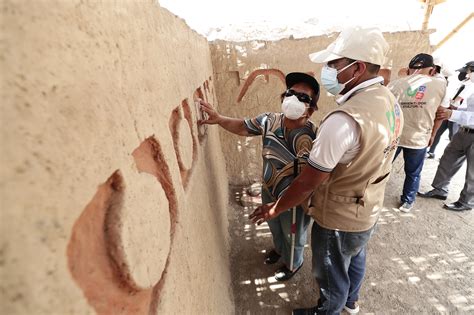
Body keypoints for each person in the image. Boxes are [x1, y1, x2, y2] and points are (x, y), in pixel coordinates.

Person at [249, 27, 403, 315]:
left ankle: (328, 309)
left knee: (331, 272)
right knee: (354, 258)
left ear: (356, 68)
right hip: (367, 206)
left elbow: (307, 183)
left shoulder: (342, 121)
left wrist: (275, 208)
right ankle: (350, 302)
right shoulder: (389, 102)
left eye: (333, 64)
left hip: (339, 216)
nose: (328, 70)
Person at [199, 72, 320, 281]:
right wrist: (219, 119)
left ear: (310, 108)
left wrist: (287, 202)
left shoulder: (313, 135)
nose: (294, 98)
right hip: (269, 190)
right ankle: (280, 250)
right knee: (274, 226)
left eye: (303, 97)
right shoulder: (269, 120)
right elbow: (243, 127)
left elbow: (311, 177)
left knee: (293, 235)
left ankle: (293, 263)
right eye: (291, 93)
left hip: (294, 201)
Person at [387, 53, 446, 212]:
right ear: (432, 70)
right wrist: (433, 134)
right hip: (419, 138)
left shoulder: (394, 85)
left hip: (394, 136)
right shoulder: (440, 85)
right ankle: (407, 201)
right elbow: (441, 114)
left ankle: (371, 193)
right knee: (413, 173)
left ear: (409, 69)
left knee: (382, 167)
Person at [418, 61, 474, 211]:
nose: (468, 75)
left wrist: (453, 114)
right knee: (448, 159)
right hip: (463, 131)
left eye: (469, 71)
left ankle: (466, 202)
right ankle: (440, 189)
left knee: (472, 172)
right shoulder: (470, 87)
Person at [427, 68, 469, 158]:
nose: (462, 75)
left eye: (465, 72)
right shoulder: (462, 83)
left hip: (457, 113)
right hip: (448, 110)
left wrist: (452, 103)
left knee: (452, 135)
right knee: (438, 131)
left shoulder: (470, 85)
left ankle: (450, 156)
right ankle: (431, 151)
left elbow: (460, 99)